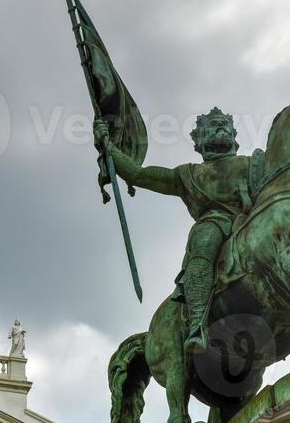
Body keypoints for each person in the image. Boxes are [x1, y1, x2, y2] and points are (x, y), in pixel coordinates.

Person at [100, 109, 254, 351]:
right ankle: (197, 324)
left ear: (234, 134)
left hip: (253, 219)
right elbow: (138, 175)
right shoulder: (187, 175)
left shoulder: (254, 163)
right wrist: (109, 147)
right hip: (214, 224)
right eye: (214, 125)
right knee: (203, 244)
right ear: (200, 139)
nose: (221, 128)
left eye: (225, 125)